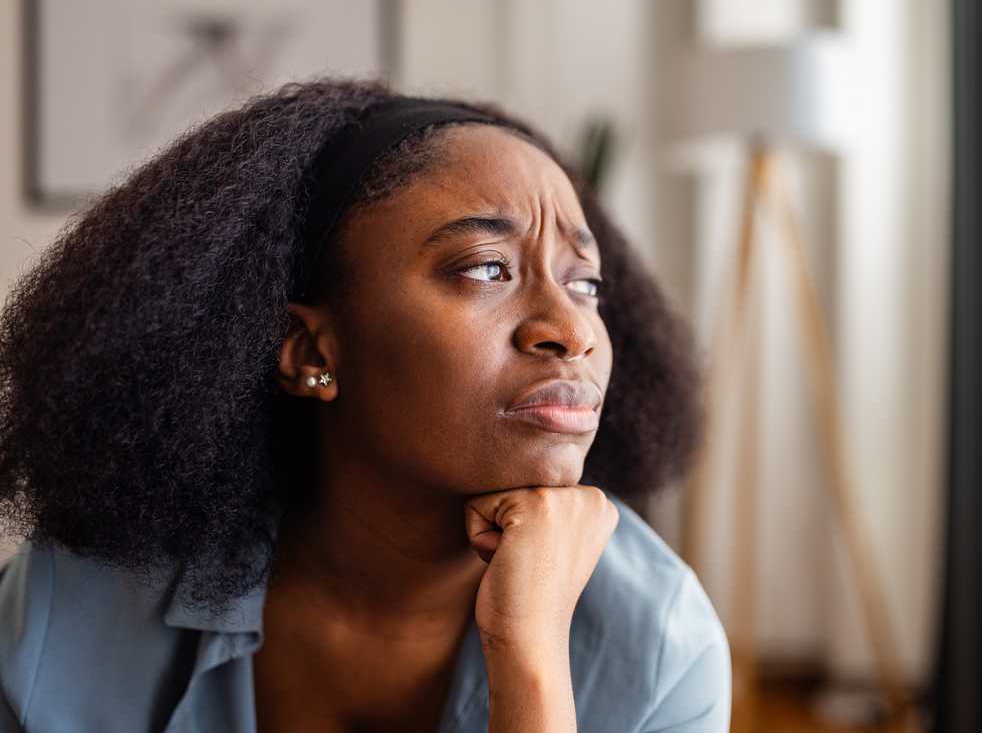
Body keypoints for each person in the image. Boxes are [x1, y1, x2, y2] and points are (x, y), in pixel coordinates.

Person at [0, 78, 731, 732]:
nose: (573, 331)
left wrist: (530, 651)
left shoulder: (657, 646)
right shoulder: (77, 602)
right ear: (308, 349)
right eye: (487, 268)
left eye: (584, 283)